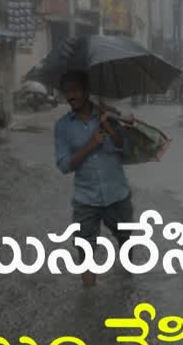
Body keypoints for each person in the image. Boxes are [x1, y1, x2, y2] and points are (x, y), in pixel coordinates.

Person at [53, 71, 135, 287]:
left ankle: (127, 290)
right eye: (67, 92)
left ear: (87, 91)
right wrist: (90, 145)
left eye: (75, 90)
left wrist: (111, 125)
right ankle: (88, 304)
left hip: (118, 195)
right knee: (84, 250)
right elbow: (63, 165)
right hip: (85, 199)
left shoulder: (111, 114)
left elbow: (126, 150)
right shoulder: (62, 126)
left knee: (126, 241)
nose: (71, 96)